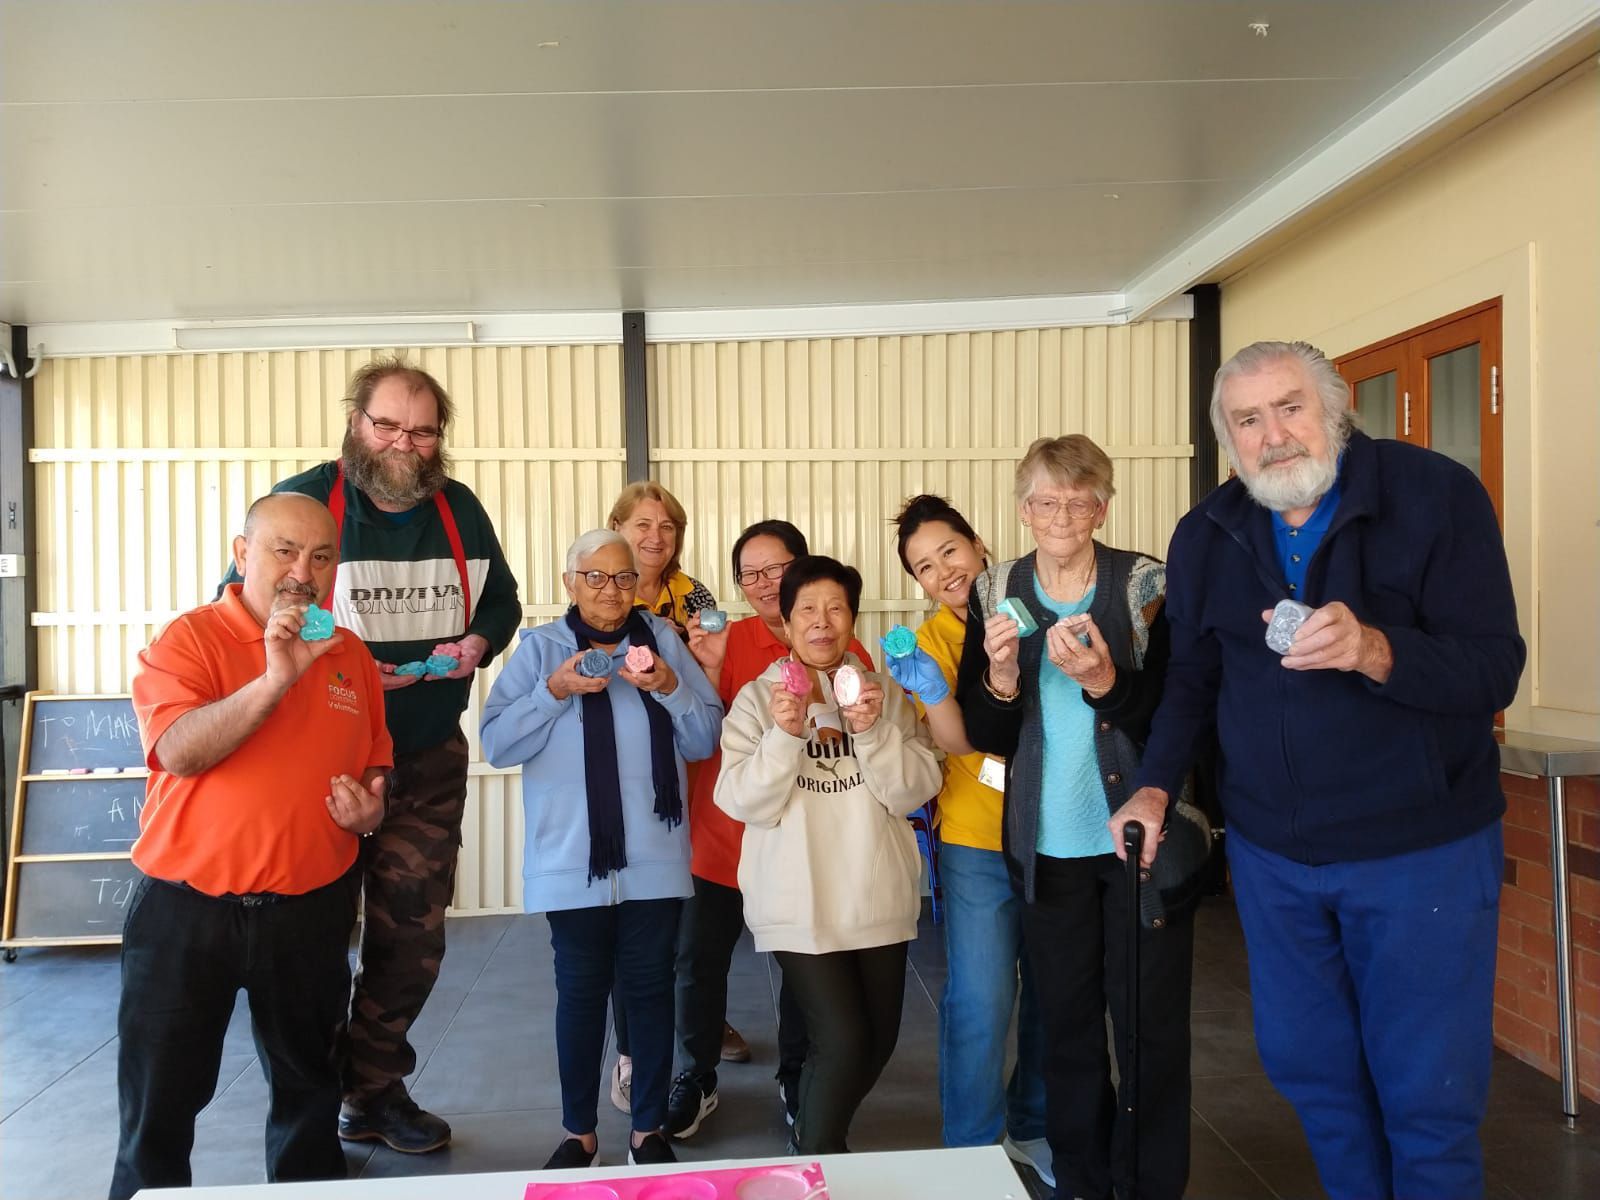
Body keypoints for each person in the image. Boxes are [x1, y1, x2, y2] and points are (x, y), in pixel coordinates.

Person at [1124, 341, 1525, 1200]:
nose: (1274, 435)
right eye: (1247, 419)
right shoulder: (1207, 534)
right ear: (1228, 439)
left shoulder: (1435, 497)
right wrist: (1155, 784)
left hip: (1421, 850)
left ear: (1335, 409)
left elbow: (1494, 668)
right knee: (1312, 1071)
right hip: (1276, 857)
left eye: (1291, 407)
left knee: (1428, 1092)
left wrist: (1379, 650)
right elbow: (1191, 680)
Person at [225, 357, 522, 1152]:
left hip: (422, 759)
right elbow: (244, 608)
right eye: (388, 424)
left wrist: (478, 641)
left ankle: (375, 1090)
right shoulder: (305, 504)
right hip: (318, 763)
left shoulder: (458, 510)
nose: (405, 443)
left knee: (411, 938)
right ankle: (308, 1106)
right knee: (308, 944)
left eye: (423, 431)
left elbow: (503, 598)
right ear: (355, 422)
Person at [112, 494, 389, 1200]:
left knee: (308, 1100)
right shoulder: (190, 640)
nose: (303, 570)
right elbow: (178, 750)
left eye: (321, 556)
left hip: (308, 913)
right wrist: (276, 677)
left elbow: (374, 761)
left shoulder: (349, 652)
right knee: (159, 1110)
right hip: (186, 914)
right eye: (284, 550)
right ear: (243, 554)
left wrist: (371, 808)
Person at [957, 435, 1195, 1200]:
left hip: (1137, 843)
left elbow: (1174, 713)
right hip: (1047, 845)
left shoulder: (1147, 584)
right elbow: (987, 736)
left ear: (1103, 506)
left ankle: (1150, 1183)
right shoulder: (994, 592)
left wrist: (1104, 682)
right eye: (1047, 501)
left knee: (1149, 1030)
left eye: (1080, 500)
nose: (1063, 514)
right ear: (1024, 510)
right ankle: (1085, 1182)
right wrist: (998, 677)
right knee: (1068, 1030)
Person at [480, 530, 723, 1169]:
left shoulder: (662, 641)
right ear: (570, 583)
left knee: (649, 992)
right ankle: (578, 1133)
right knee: (580, 994)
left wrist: (670, 685)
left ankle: (647, 1130)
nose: (610, 590)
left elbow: (703, 739)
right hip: (572, 861)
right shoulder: (539, 650)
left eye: (622, 578)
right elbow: (498, 745)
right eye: (595, 577)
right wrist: (553, 691)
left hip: (655, 858)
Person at [716, 555, 941, 1155]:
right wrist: (784, 737)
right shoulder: (757, 701)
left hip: (876, 895)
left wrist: (870, 731)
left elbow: (914, 789)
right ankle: (820, 1154)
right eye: (807, 610)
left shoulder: (883, 693)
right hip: (798, 900)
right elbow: (741, 800)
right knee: (841, 1040)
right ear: (785, 625)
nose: (822, 622)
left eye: (836, 608)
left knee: (879, 1040)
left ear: (853, 621)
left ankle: (816, 1134)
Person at [663, 521, 879, 1140]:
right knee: (698, 962)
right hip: (723, 834)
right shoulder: (720, 642)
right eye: (749, 574)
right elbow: (698, 728)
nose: (764, 584)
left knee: (805, 967)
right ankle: (696, 1077)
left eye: (777, 569)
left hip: (799, 846)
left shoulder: (844, 649)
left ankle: (795, 1078)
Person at [887, 495, 1050, 1187]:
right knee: (982, 999)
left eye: (949, 551)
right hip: (978, 838)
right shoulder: (928, 643)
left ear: (980, 544)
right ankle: (973, 1149)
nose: (943, 572)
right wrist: (932, 690)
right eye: (924, 566)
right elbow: (954, 741)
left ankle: (1036, 1123)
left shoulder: (1036, 604)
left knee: (1055, 991)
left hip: (1058, 835)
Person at [603, 482, 744, 1115]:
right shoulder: (603, 588)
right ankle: (632, 1053)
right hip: (624, 764)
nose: (655, 536)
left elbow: (711, 672)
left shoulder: (697, 598)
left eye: (668, 526)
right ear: (618, 530)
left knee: (689, 921)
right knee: (631, 922)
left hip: (687, 760)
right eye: (642, 524)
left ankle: (697, 1026)